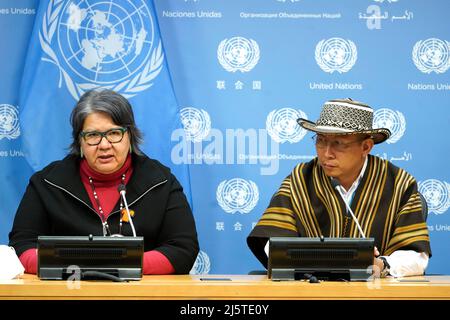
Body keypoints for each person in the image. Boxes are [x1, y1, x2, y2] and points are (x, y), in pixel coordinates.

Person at [9, 89, 199, 275]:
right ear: (80, 141)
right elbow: (21, 246)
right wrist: (80, 265)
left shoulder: (160, 182)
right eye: (92, 136)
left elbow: (183, 249)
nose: (105, 145)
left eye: (114, 133)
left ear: (130, 136)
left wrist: (119, 264)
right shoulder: (47, 183)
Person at [247, 98, 431, 278]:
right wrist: (326, 261)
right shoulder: (300, 179)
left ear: (366, 146)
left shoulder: (399, 184)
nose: (326, 153)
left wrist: (381, 264)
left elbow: (417, 256)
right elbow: (273, 246)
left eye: (338, 143)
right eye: (320, 140)